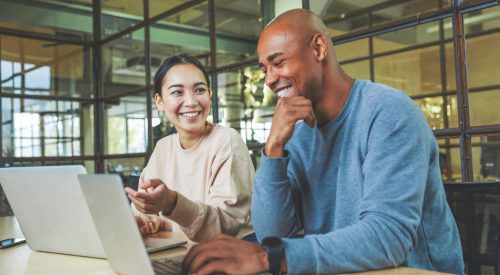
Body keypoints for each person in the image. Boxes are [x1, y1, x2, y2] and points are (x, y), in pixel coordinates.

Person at [181, 9, 465, 275]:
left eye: (278, 63)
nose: (269, 79)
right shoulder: (299, 131)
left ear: (318, 49)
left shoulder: (389, 112)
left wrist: (268, 257)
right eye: (264, 68)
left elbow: (388, 238)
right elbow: (275, 234)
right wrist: (273, 149)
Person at [125, 54, 255, 243]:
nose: (191, 102)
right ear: (159, 101)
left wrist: (172, 203)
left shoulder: (226, 140)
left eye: (199, 90)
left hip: (227, 257)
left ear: (210, 94)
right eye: (177, 92)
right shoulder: (163, 147)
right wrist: (144, 221)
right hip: (179, 251)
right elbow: (146, 212)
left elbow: (224, 227)